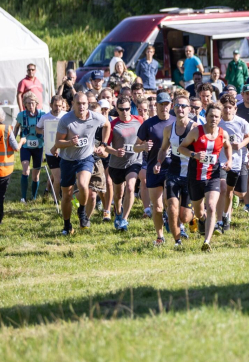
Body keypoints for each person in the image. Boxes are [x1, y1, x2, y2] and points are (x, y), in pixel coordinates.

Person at [55, 92, 111, 235]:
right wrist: (69, 142)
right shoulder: (66, 120)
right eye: (78, 103)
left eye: (84, 103)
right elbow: (58, 143)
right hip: (67, 160)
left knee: (83, 184)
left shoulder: (95, 117)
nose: (81, 106)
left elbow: (107, 125)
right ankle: (67, 225)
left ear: (88, 104)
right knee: (66, 195)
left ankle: (82, 211)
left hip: (85, 157)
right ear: (73, 104)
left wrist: (104, 144)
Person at [178, 102, 231, 251]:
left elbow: (228, 147)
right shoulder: (196, 131)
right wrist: (194, 154)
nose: (213, 119)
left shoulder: (222, 134)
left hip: (213, 175)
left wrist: (229, 160)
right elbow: (181, 148)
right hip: (195, 176)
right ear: (205, 116)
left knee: (212, 206)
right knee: (200, 211)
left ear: (220, 118)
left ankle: (207, 241)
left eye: (216, 116)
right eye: (211, 116)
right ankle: (202, 220)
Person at [155, 91, 195, 246]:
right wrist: (159, 162)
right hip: (173, 172)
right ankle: (177, 241)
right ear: (173, 108)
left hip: (191, 174)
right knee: (172, 207)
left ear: (189, 109)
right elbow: (164, 149)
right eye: (177, 106)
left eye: (184, 106)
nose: (180, 109)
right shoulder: (168, 129)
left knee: (185, 216)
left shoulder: (195, 128)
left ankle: (195, 217)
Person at [104, 95, 145, 231]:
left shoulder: (139, 120)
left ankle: (125, 219)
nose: (125, 112)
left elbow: (144, 137)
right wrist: (115, 152)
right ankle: (118, 213)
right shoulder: (113, 125)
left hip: (134, 162)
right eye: (122, 109)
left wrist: (144, 145)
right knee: (118, 194)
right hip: (116, 164)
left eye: (127, 109)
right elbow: (105, 146)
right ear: (117, 109)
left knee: (130, 188)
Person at [216, 94, 249, 232]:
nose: (227, 110)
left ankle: (227, 216)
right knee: (222, 188)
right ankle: (220, 220)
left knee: (230, 192)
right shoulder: (217, 122)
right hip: (220, 162)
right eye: (224, 108)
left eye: (230, 108)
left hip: (237, 162)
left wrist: (241, 144)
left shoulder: (241, 122)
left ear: (235, 109)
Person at [13, 92, 44, 202]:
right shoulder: (21, 115)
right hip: (25, 145)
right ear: (24, 105)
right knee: (26, 171)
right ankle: (23, 197)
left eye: (33, 103)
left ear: (36, 103)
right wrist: (13, 138)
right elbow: (16, 127)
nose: (31, 106)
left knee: (36, 175)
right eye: (28, 103)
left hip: (39, 146)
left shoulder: (42, 115)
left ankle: (34, 197)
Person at [37, 95, 67, 202]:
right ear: (51, 105)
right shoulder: (45, 117)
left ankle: (63, 197)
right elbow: (37, 128)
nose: (58, 108)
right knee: (58, 179)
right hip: (50, 152)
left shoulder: (66, 116)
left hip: (64, 151)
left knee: (64, 178)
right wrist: (43, 131)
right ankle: (56, 201)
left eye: (60, 106)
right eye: (55, 105)